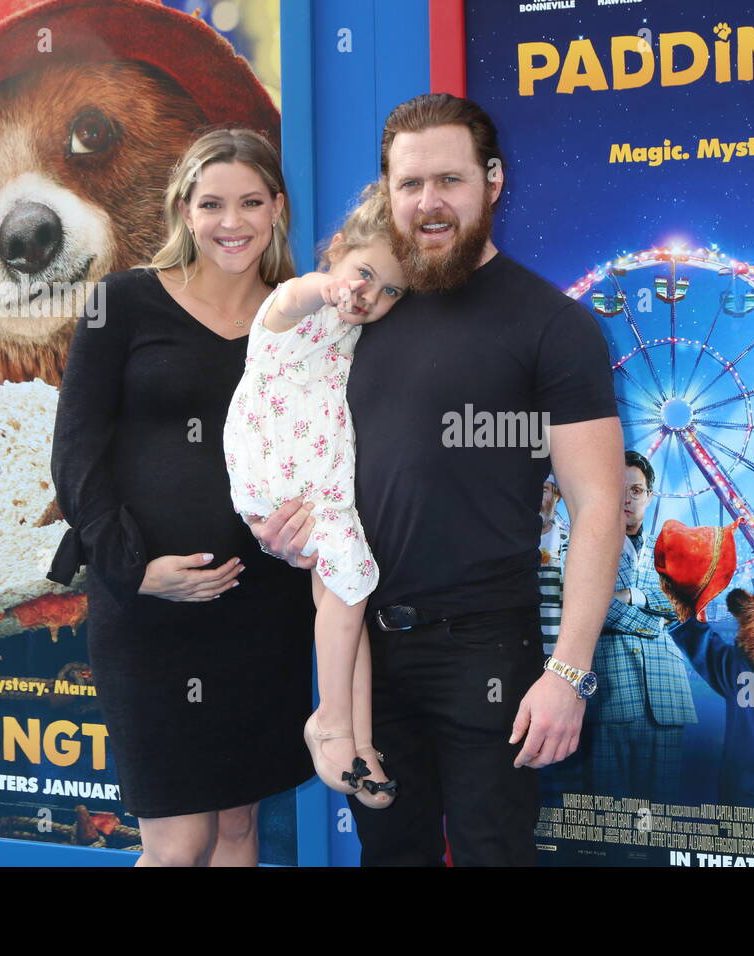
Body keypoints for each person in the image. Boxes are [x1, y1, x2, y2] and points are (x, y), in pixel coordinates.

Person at [251, 93, 623, 866]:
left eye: (449, 181)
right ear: (386, 192)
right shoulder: (359, 312)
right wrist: (283, 529)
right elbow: (296, 433)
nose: (429, 203)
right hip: (367, 654)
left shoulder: (554, 328)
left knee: (494, 853)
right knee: (390, 856)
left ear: (493, 181)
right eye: (409, 183)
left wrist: (569, 674)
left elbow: (597, 506)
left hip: (490, 653)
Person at [48, 128, 315, 866]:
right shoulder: (122, 301)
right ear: (183, 211)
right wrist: (132, 570)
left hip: (266, 613)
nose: (233, 222)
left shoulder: (298, 318)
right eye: (213, 204)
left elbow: (325, 448)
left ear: (278, 210)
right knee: (178, 842)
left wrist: (309, 520)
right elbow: (74, 454)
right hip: (151, 618)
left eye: (251, 202)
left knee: (235, 829)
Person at [223, 185, 406, 808]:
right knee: (348, 586)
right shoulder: (297, 305)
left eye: (389, 291)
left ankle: (356, 738)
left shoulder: (356, 335)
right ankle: (329, 719)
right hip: (284, 479)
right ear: (336, 254)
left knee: (344, 592)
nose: (369, 296)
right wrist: (324, 288)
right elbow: (293, 294)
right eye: (362, 274)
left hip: (316, 482)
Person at [579, 450, 694, 803]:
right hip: (610, 696)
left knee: (661, 818)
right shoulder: (581, 546)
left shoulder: (672, 550)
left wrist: (632, 595)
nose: (627, 498)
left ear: (649, 496)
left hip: (667, 699)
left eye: (636, 490)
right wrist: (655, 621)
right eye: (618, 488)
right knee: (610, 817)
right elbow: (590, 609)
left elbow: (687, 605)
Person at [538, 475, 570, 656]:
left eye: (542, 490)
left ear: (556, 496)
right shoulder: (503, 544)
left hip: (557, 662)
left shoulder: (573, 544)